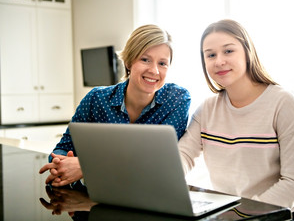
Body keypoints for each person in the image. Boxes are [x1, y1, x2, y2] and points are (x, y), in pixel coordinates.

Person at [178, 19, 294, 221]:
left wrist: (247, 215)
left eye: (228, 51)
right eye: (211, 55)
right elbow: (183, 156)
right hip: (231, 214)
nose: (219, 61)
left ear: (248, 52)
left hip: (278, 214)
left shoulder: (283, 103)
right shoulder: (207, 109)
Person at [39, 24, 191, 187]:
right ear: (128, 62)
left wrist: (86, 167)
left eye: (162, 63)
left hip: (150, 193)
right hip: (101, 194)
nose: (154, 70)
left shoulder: (177, 99)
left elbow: (159, 161)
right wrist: (60, 165)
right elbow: (63, 147)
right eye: (145, 59)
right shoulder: (96, 99)